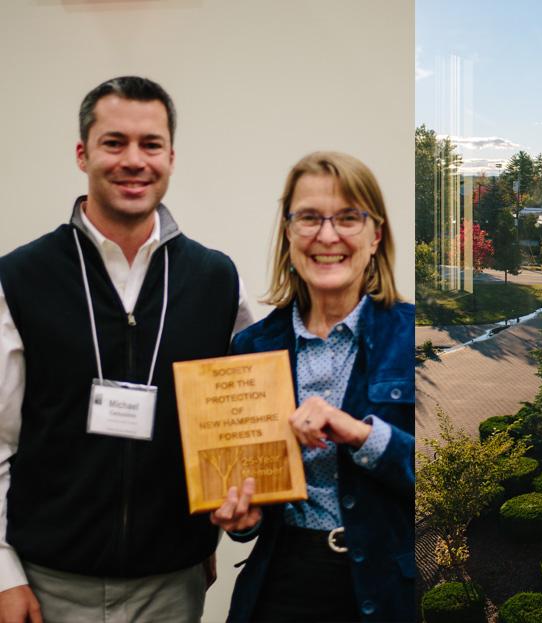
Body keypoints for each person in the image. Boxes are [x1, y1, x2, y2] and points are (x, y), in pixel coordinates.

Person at [0, 76, 253, 623]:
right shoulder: (21, 276)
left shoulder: (216, 279)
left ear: (171, 156)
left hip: (172, 583)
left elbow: (239, 424)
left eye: (150, 144)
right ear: (82, 153)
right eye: (114, 142)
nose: (133, 160)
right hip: (47, 586)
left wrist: (234, 514)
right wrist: (4, 574)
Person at [210, 152, 414, 623]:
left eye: (348, 217)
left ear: (375, 234)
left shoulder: (412, 335)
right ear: (287, 233)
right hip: (284, 586)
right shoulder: (251, 348)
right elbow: (248, 491)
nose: (327, 236)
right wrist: (244, 520)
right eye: (308, 218)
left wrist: (360, 434)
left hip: (388, 589)